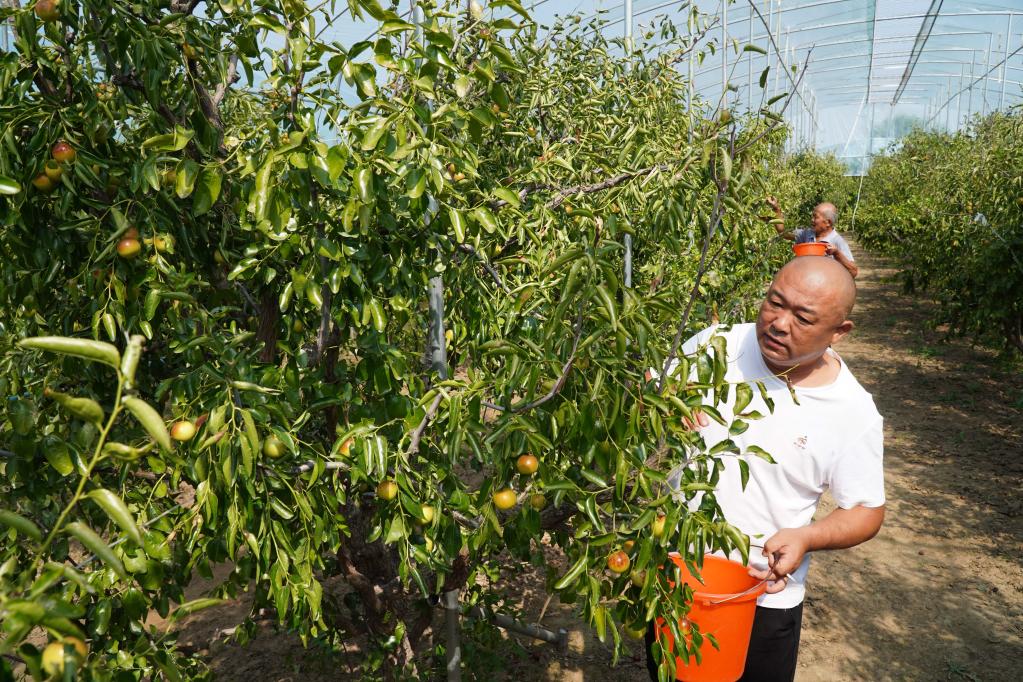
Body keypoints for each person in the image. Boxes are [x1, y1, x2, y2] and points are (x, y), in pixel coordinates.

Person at [647, 257, 885, 682]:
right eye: (775, 303)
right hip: (677, 578)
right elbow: (655, 391)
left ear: (839, 333)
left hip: (762, 597)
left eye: (803, 318)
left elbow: (866, 511)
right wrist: (662, 400)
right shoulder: (716, 344)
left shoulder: (851, 411)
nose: (778, 323)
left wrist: (806, 537)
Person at [765, 196, 859, 279]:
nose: (812, 220)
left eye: (815, 217)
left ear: (828, 222)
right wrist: (776, 209)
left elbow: (853, 272)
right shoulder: (806, 234)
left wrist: (836, 253)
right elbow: (783, 232)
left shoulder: (837, 241)